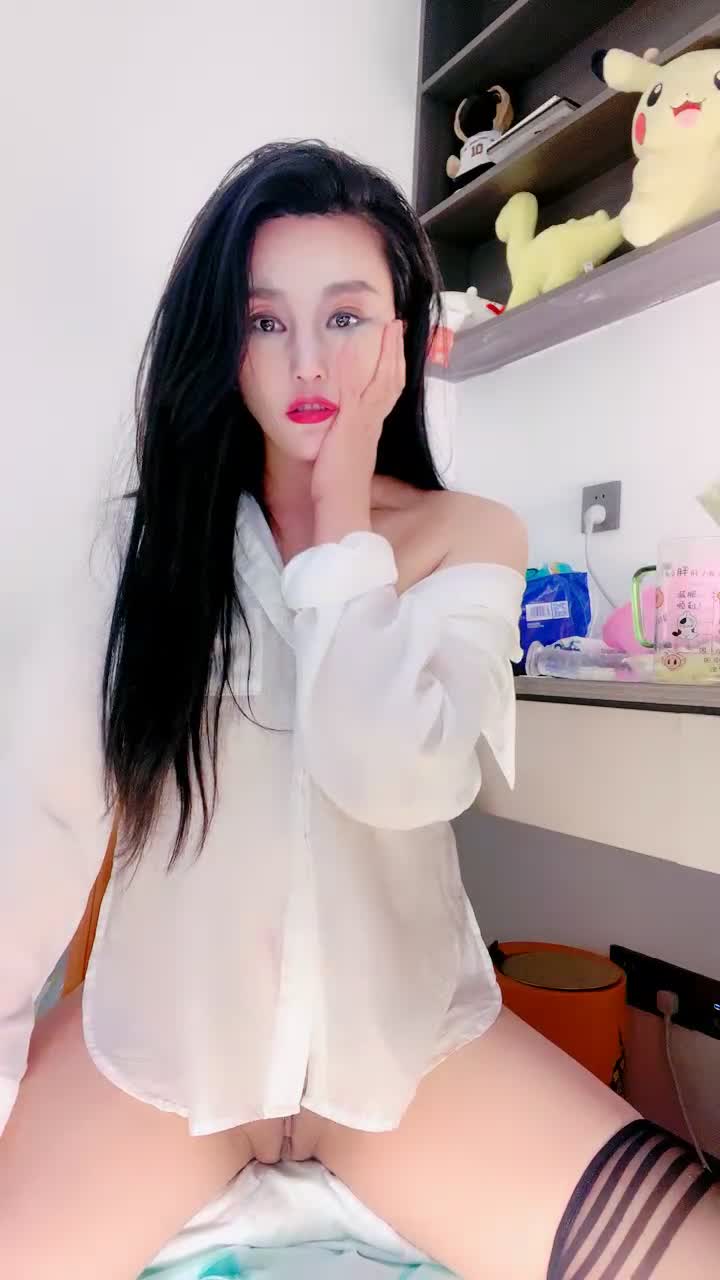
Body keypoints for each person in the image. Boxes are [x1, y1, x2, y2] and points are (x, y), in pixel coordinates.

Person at [0, 141, 716, 1280]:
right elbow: (34, 825)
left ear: (410, 336)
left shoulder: (473, 536)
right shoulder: (143, 549)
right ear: (223, 340)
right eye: (265, 320)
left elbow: (391, 774)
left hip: (412, 1063)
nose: (306, 360)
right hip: (165, 1065)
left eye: (345, 316)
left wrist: (343, 511)